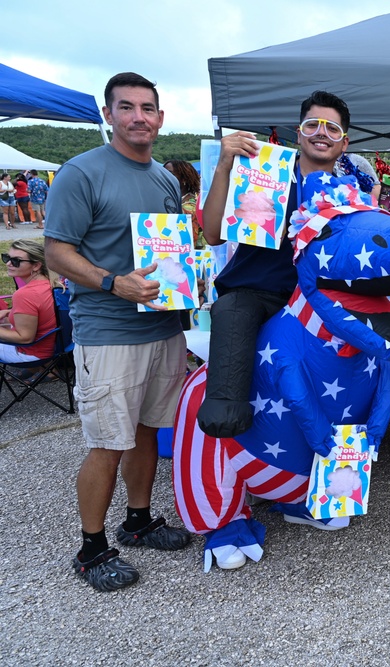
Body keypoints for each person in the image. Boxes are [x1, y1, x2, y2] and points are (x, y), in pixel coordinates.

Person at [44, 72, 191, 591]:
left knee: (148, 430)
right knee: (108, 441)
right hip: (108, 331)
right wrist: (112, 282)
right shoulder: (81, 173)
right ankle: (91, 548)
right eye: (126, 107)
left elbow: (169, 252)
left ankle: (138, 520)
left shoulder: (166, 180)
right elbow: (56, 251)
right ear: (109, 115)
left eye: (147, 108)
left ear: (160, 117)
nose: (138, 117)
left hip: (163, 327)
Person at [197, 90, 361, 438]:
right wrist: (224, 166)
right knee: (233, 311)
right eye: (312, 124)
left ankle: (347, 439)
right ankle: (225, 410)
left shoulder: (349, 194)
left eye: (332, 129)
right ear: (298, 132)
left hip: (315, 301)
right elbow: (212, 235)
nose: (321, 133)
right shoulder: (263, 176)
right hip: (254, 291)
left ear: (344, 143)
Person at [0, 239, 60, 363]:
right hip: (53, 348)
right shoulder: (50, 283)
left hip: (30, 354)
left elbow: (25, 338)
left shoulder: (24, 294)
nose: (8, 264)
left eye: (16, 261)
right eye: (7, 258)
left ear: (36, 265)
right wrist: (9, 312)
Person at [163, 159, 202, 243]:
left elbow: (190, 238)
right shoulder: (169, 198)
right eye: (163, 172)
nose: (164, 176)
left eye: (170, 173)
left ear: (184, 178)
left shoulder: (190, 205)